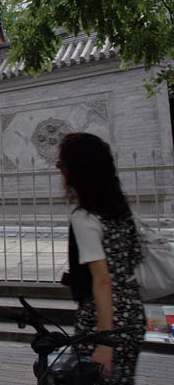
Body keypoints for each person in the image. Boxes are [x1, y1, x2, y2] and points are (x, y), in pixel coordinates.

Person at [58, 133, 146, 384]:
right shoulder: (120, 211)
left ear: (76, 170)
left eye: (61, 165)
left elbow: (103, 280)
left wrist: (104, 341)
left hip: (103, 317)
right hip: (132, 313)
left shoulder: (84, 217)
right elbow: (131, 258)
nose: (60, 172)